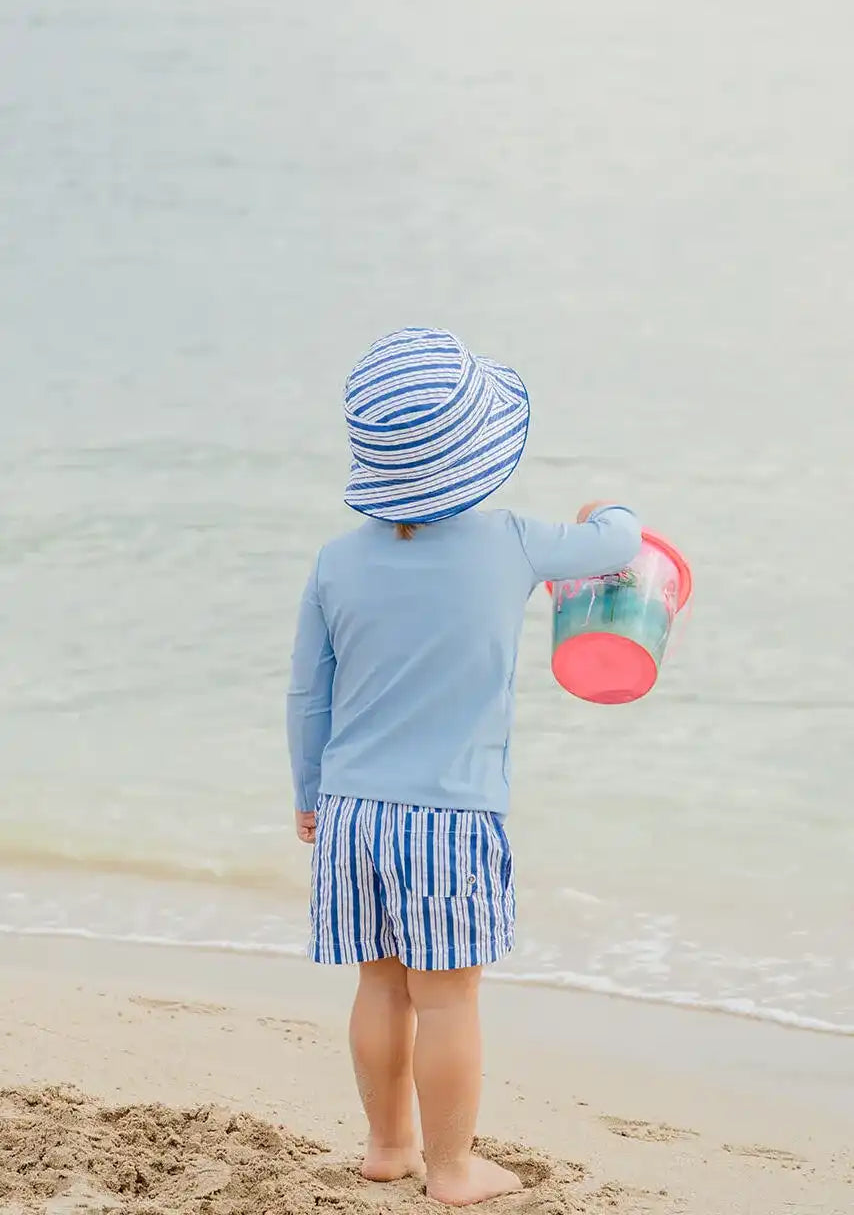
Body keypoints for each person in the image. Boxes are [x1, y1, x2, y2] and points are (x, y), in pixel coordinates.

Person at [287, 327, 641, 1206]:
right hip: (449, 817)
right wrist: (608, 508)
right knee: (446, 1001)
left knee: (380, 984)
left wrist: (307, 796)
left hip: (352, 811)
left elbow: (307, 697)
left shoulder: (336, 562)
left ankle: (387, 1146)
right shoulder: (511, 539)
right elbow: (616, 545)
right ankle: (450, 1169)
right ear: (477, 453)